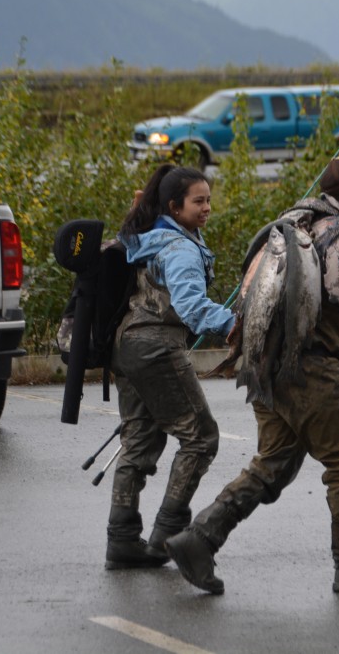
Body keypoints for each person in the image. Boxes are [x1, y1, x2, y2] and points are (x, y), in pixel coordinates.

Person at [165, 155, 339, 593]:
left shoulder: (295, 223)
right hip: (307, 365)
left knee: (273, 463)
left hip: (266, 364)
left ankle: (199, 539)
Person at [104, 164, 236, 570]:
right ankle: (168, 534)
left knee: (140, 441)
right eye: (198, 201)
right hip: (157, 346)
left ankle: (122, 539)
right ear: (174, 206)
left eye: (209, 200)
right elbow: (191, 307)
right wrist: (235, 324)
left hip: (126, 346)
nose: (207, 207)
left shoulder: (150, 236)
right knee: (201, 438)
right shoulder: (179, 248)